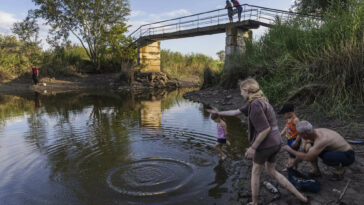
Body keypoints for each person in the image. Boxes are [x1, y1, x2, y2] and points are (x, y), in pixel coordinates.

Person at [207, 78, 307, 205]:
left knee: (255, 172)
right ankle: (301, 197)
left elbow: (265, 129)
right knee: (272, 171)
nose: (240, 94)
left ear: (247, 90)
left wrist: (253, 148)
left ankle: (254, 203)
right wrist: (218, 112)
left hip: (266, 144)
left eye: (241, 91)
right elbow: (235, 112)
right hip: (277, 142)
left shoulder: (255, 105)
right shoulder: (260, 102)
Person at [283, 121, 355, 181]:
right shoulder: (311, 133)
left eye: (300, 135)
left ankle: (340, 171)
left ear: (304, 134)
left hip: (348, 155)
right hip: (334, 150)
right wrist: (294, 163)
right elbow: (303, 151)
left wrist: (290, 150)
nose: (300, 137)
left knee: (327, 157)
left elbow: (308, 157)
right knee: (308, 147)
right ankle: (316, 171)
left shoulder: (322, 139)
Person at [278, 104, 301, 171]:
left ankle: (294, 169)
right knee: (290, 154)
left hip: (294, 140)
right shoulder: (288, 118)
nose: (283, 116)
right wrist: (280, 134)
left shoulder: (295, 120)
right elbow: (286, 127)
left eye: (284, 114)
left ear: (289, 113)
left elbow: (300, 132)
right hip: (289, 139)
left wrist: (296, 141)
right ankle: (289, 167)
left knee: (293, 155)